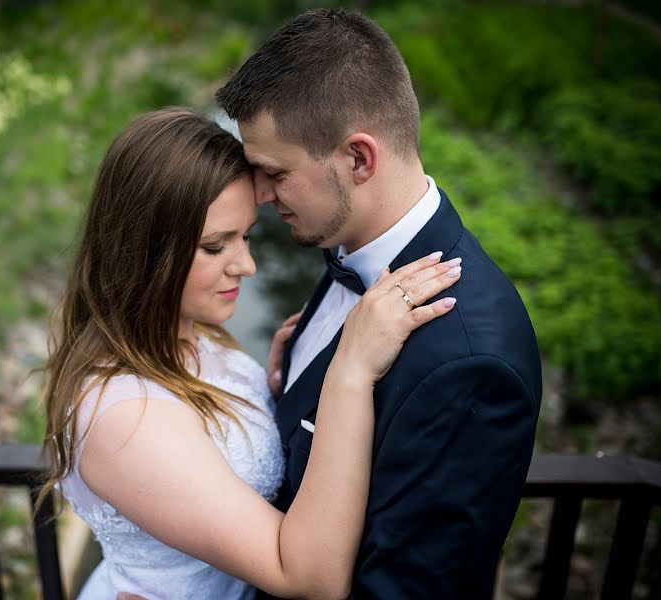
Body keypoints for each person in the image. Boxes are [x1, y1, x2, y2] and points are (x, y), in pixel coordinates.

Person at [33, 107, 461, 599]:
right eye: (216, 246)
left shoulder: (186, 331)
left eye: (247, 235)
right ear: (143, 252)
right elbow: (310, 580)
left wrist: (273, 388)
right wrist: (351, 369)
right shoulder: (124, 418)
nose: (248, 266)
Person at [215, 8, 543, 599]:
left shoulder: (468, 364)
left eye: (274, 173)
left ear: (359, 159)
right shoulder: (349, 244)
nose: (260, 195)